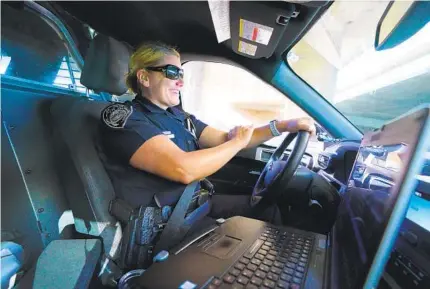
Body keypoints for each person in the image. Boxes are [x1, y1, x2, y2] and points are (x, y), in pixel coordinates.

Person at [98, 41, 316, 220]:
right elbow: (184, 169)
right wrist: (236, 143)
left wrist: (282, 126)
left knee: (271, 210)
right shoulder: (124, 118)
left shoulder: (179, 116)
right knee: (266, 215)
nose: (180, 82)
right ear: (145, 78)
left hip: (194, 206)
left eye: (181, 75)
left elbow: (227, 139)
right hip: (164, 223)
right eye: (172, 72)